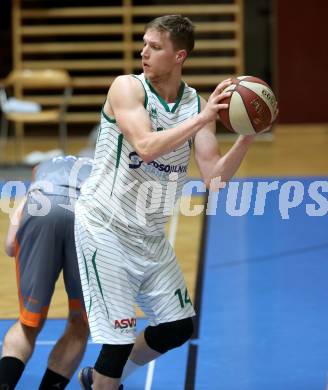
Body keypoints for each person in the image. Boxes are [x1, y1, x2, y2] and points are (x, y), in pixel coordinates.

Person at [76, 15, 275, 390]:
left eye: (154, 46)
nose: (143, 52)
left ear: (179, 55)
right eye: (144, 44)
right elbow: (147, 147)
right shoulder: (127, 88)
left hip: (148, 234)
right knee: (117, 340)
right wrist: (201, 119)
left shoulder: (195, 104)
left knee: (177, 326)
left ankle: (100, 379)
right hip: (105, 228)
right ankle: (106, 381)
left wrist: (247, 137)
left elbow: (214, 177)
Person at [0, 155, 93, 389]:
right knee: (80, 322)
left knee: (28, 323)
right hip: (85, 214)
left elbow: (11, 245)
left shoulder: (40, 172)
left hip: (41, 209)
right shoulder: (106, 168)